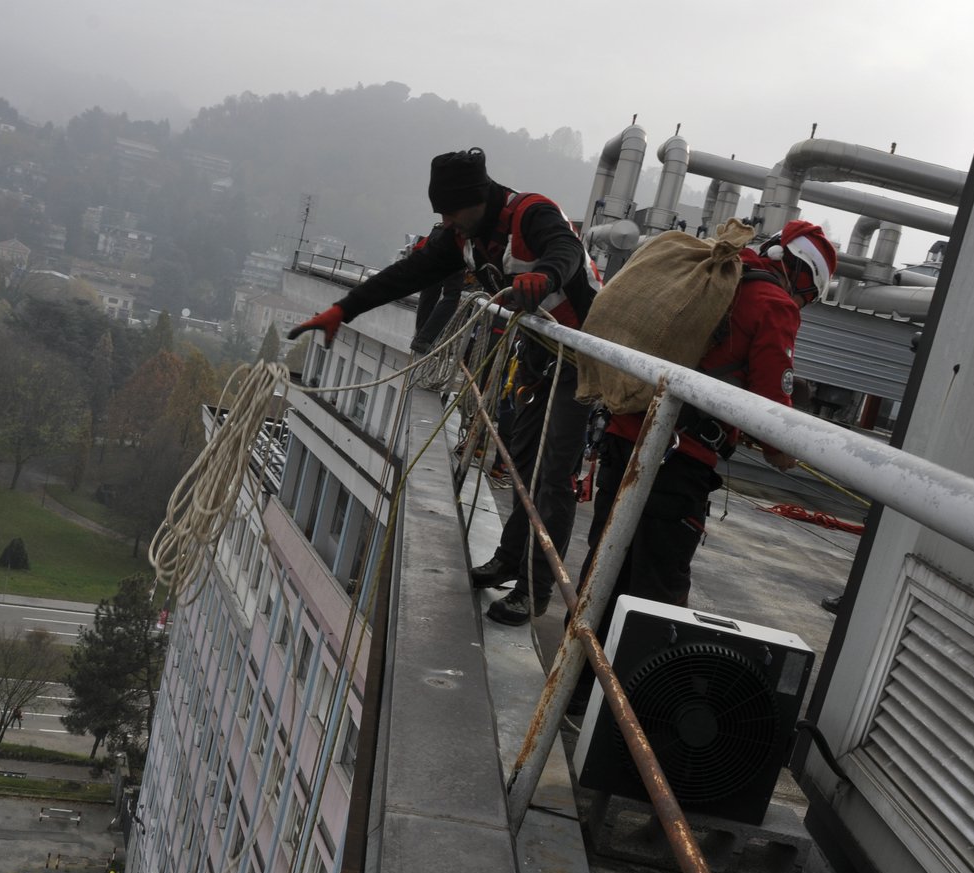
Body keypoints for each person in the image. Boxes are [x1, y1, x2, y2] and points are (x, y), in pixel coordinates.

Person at [289, 147, 599, 625]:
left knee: (552, 473)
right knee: (520, 461)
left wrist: (546, 274)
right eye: (442, 214)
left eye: (453, 212)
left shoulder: (532, 213)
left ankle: (532, 591)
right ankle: (509, 559)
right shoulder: (465, 237)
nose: (448, 222)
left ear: (478, 199)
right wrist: (343, 310)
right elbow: (404, 276)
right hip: (541, 353)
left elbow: (567, 251)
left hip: (583, 359)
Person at [568, 220, 837, 703]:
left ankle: (572, 687)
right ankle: (634, 715)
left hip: (622, 436)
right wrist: (787, 455)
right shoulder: (771, 304)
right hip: (676, 464)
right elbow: (772, 413)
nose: (804, 305)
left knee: (604, 568)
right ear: (800, 274)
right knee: (657, 592)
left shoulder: (711, 270)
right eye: (810, 296)